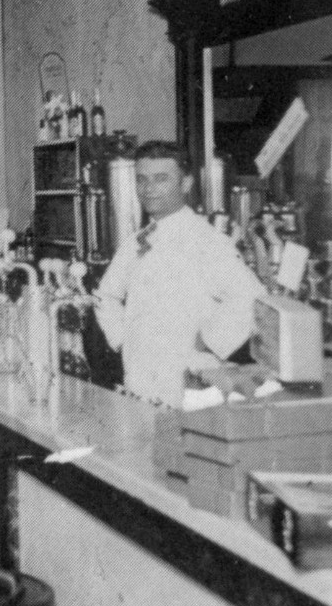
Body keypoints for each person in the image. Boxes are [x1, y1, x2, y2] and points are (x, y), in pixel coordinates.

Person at [94, 140, 266, 409]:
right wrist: (123, 339)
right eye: (142, 180)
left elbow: (252, 297)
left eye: (161, 179)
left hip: (186, 383)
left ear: (186, 184)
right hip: (139, 380)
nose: (148, 189)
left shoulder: (206, 240)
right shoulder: (137, 241)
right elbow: (106, 295)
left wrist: (208, 341)